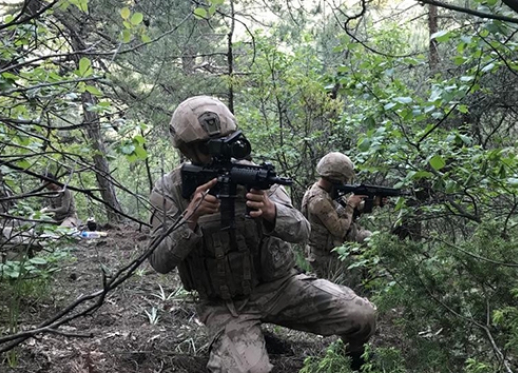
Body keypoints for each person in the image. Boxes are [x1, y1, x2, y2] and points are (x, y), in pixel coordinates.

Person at [148, 96, 376, 373]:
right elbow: (159, 261)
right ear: (186, 150)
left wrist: (271, 212)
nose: (217, 153)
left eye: (225, 141)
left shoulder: (253, 175)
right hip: (226, 305)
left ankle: (355, 361)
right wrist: (191, 218)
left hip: (280, 288)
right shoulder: (171, 189)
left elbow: (302, 230)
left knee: (362, 314)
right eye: (207, 148)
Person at [301, 152, 374, 281]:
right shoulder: (318, 200)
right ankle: (363, 286)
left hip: (335, 246)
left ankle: (368, 283)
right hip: (325, 255)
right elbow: (340, 230)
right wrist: (351, 204)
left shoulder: (328, 192)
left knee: (370, 239)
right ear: (337, 178)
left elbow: (342, 211)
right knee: (346, 286)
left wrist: (371, 202)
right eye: (344, 179)